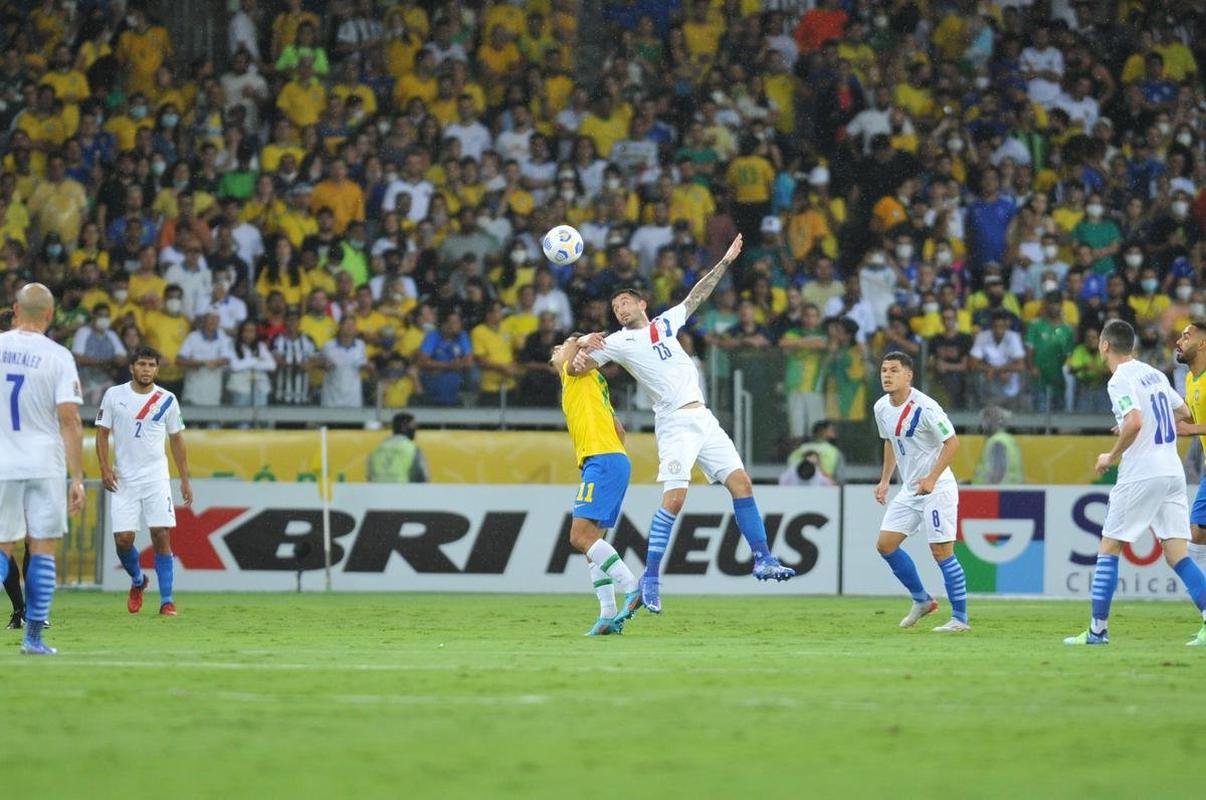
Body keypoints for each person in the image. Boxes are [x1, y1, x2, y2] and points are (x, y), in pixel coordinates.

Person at [573, 234, 795, 614]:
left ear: (642, 303)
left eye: (625, 302)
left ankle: (763, 558)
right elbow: (580, 366)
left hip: (703, 418)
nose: (620, 309)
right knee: (675, 500)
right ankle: (651, 580)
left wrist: (725, 261)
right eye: (615, 307)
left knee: (741, 484)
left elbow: (696, 296)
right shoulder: (618, 341)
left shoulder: (664, 324)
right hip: (674, 422)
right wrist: (581, 347)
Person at [1065, 320, 1206, 646]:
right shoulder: (1154, 372)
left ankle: (1097, 631)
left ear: (1104, 346)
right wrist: (1141, 426)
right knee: (1176, 554)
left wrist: (1110, 456)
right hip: (1172, 472)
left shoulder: (1119, 381)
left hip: (1142, 473)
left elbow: (1135, 420)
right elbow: (1184, 412)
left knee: (1109, 547)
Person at [0, 283, 86, 655]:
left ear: (16, 311)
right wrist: (78, 476)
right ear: (50, 315)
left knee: (3, 547)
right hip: (45, 462)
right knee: (43, 548)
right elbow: (70, 419)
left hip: (3, 460)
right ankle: (33, 638)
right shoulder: (58, 356)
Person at [873, 351, 969, 633]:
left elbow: (952, 443)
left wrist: (932, 477)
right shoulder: (881, 407)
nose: (887, 375)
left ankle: (960, 619)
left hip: (937, 488)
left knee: (941, 551)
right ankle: (922, 600)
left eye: (893, 370)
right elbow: (889, 442)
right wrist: (884, 480)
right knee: (885, 544)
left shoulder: (926, 408)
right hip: (910, 489)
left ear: (908, 375)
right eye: (883, 370)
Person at [551, 333, 640, 635]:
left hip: (601, 460)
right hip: (614, 458)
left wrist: (580, 338)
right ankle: (607, 615)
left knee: (579, 536)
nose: (560, 348)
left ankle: (633, 587)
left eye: (561, 346)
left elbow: (573, 361)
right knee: (592, 543)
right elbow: (620, 431)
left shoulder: (574, 372)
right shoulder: (595, 386)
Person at [96, 347, 193, 617]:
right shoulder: (115, 395)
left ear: (157, 370)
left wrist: (184, 479)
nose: (146, 369)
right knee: (124, 540)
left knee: (161, 534)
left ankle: (167, 601)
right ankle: (138, 580)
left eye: (151, 365)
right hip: (124, 477)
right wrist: (104, 468)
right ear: (132, 368)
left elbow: (177, 440)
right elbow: (102, 434)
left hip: (156, 477)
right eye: (142, 364)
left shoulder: (167, 399)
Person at [1172, 322, 1206, 573]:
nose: (1178, 341)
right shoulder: (1190, 379)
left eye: (1186, 336)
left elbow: (1190, 427)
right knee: (1197, 533)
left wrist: (1189, 429)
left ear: (1202, 344)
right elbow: (1187, 418)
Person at [367, 413, 429, 483]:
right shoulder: (412, 449)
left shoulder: (377, 450)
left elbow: (369, 477)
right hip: (402, 492)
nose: (415, 430)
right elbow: (422, 478)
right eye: (413, 426)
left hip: (377, 492)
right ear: (404, 427)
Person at [973, 406, 1023, 485]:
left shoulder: (997, 442)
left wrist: (987, 491)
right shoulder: (1008, 439)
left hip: (998, 493)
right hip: (1010, 491)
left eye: (985, 420)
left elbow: (998, 473)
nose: (982, 425)